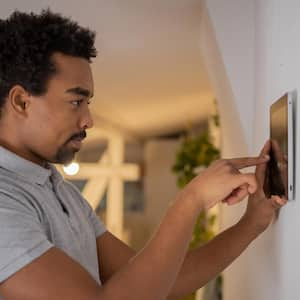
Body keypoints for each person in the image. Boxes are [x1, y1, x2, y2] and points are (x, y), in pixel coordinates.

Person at [0, 9, 286, 300]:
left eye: (88, 102)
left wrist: (252, 223)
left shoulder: (59, 191)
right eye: (76, 101)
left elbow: (165, 282)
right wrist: (191, 200)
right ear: (22, 102)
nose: (89, 120)